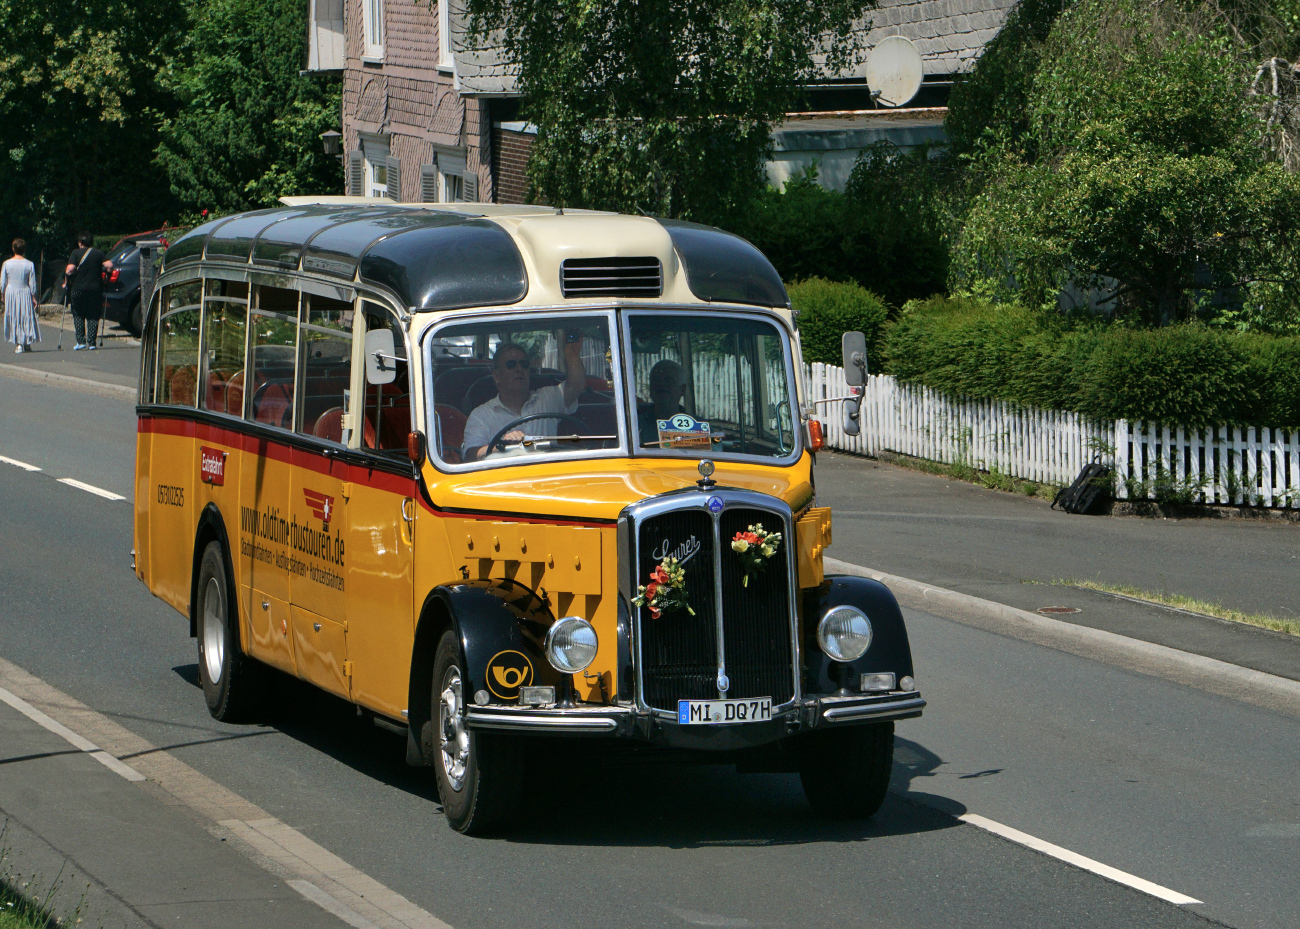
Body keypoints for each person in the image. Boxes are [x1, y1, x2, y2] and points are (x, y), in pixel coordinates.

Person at [462, 337, 586, 460]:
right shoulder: (481, 415)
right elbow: (472, 455)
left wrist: (572, 354)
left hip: (546, 470)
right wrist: (502, 446)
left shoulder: (548, 397)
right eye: (511, 365)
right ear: (497, 376)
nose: (519, 369)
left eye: (524, 364)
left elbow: (576, 385)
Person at [64, 232, 112, 350]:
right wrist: (106, 278)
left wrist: (66, 282)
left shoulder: (75, 253)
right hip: (95, 288)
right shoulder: (98, 253)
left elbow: (70, 269)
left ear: (80, 242)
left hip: (78, 288)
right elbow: (109, 265)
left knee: (78, 313)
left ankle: (81, 341)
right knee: (93, 315)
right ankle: (92, 342)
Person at [1, 239, 40, 353]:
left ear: (13, 249)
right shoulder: (29, 264)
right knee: (26, 316)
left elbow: (3, 282)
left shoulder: (7, 264)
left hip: (11, 292)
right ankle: (26, 342)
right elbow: (32, 283)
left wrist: (2, 294)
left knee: (14, 315)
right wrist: (34, 297)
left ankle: (19, 343)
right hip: (25, 291)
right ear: (24, 250)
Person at [638, 359, 687, 446]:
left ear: (682, 389)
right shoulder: (635, 426)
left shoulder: (700, 427)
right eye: (656, 380)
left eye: (668, 380)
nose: (661, 384)